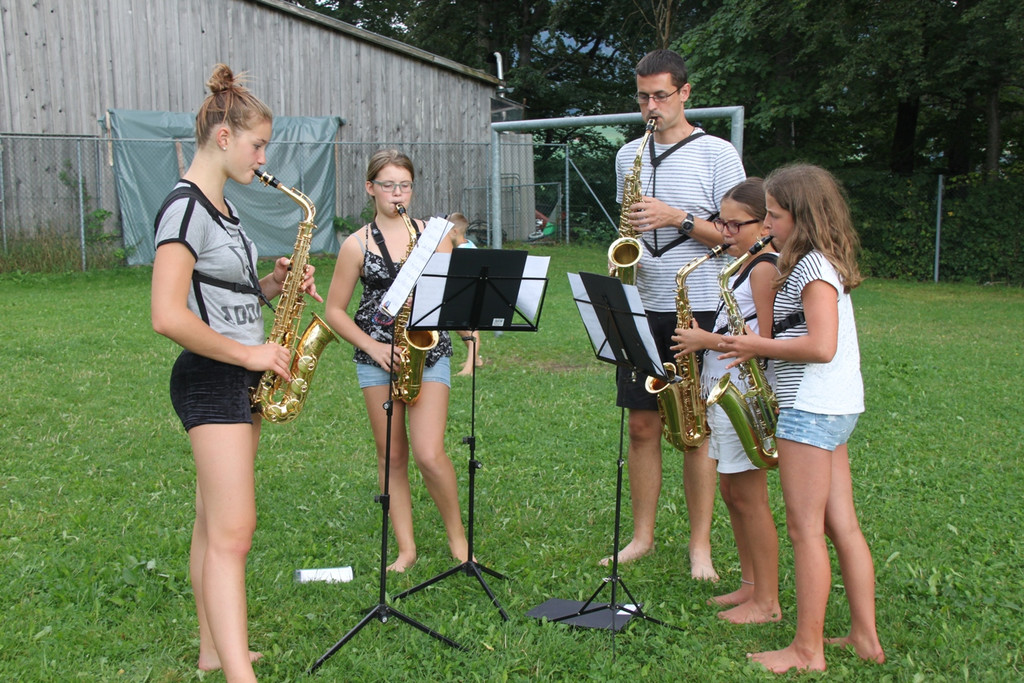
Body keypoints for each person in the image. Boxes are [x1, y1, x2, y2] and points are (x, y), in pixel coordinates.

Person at [151, 64, 321, 682]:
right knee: (234, 535)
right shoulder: (185, 209)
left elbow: (222, 293)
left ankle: (213, 651)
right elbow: (167, 314)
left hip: (235, 375)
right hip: (213, 375)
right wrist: (249, 354)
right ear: (224, 137)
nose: (263, 157)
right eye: (258, 144)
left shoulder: (221, 208)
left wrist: (274, 286)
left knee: (211, 523)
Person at [719, 164, 885, 672]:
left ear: (804, 216)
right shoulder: (820, 261)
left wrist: (752, 343)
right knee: (842, 527)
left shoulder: (813, 268)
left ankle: (807, 651)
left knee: (806, 530)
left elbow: (820, 345)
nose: (767, 224)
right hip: (832, 405)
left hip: (811, 409)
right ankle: (863, 637)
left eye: (774, 215)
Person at [608, 48, 746, 580]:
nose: (650, 106)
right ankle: (642, 537)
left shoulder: (718, 154)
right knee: (642, 427)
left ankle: (700, 547)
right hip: (640, 303)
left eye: (660, 96)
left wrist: (677, 218)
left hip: (702, 306)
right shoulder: (628, 156)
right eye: (643, 96)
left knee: (697, 428)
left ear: (685, 93)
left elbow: (738, 238)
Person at [324, 149, 469, 573]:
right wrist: (373, 348)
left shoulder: (435, 234)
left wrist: (465, 334)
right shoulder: (356, 244)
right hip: (376, 357)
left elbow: (450, 295)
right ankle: (406, 549)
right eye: (388, 185)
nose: (397, 193)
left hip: (428, 351)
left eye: (404, 185)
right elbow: (335, 310)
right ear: (371, 189)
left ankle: (458, 540)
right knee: (392, 456)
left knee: (429, 452)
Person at [671, 178, 781, 624]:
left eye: (735, 224)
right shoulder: (741, 265)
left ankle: (767, 602)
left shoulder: (763, 268)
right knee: (733, 494)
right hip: (724, 385)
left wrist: (705, 339)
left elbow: (765, 341)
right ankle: (751, 586)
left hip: (746, 394)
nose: (724, 232)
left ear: (765, 223)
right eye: (720, 222)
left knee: (750, 497)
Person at [446, 211, 484, 376]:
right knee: (458, 327)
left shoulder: (462, 251)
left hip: (472, 297)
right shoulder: (467, 245)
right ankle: (475, 359)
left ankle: (469, 368)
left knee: (471, 331)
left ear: (454, 232)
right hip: (466, 295)